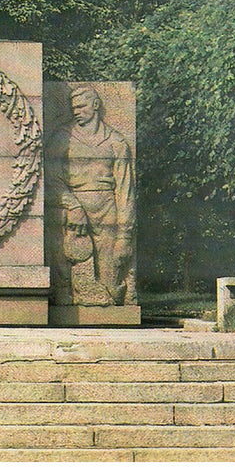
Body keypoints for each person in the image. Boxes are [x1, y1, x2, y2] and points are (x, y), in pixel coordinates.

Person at [48, 85, 136, 305]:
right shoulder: (61, 139)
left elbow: (125, 191)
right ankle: (65, 293)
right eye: (73, 108)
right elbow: (50, 179)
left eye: (82, 106)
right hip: (71, 210)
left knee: (112, 284)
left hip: (107, 210)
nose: (76, 111)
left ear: (96, 105)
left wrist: (125, 235)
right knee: (66, 274)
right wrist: (73, 206)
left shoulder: (116, 142)